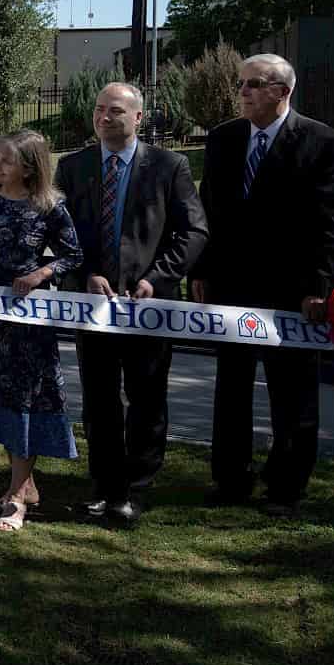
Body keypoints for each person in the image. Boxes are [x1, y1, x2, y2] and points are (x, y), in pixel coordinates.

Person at [190, 53, 334, 517]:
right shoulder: (223, 139)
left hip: (292, 290)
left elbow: (329, 223)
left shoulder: (323, 142)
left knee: (292, 390)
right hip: (230, 285)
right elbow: (209, 212)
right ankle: (230, 479)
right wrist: (200, 270)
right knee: (232, 386)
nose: (243, 92)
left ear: (283, 91)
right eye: (241, 84)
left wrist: (319, 286)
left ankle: (285, 487)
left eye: (254, 84)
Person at [56, 83, 208, 526]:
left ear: (138, 118)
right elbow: (58, 232)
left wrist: (158, 279)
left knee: (146, 398)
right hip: (93, 306)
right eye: (99, 110)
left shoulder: (168, 166)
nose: (104, 117)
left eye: (116, 111)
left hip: (150, 307)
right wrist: (82, 276)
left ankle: (135, 490)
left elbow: (194, 231)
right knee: (99, 400)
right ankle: (104, 487)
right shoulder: (74, 167)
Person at [0, 129, 84, 533]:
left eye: (6, 160)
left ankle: (16, 498)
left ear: (28, 167)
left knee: (24, 403)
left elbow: (72, 254)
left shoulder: (50, 206)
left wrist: (40, 273)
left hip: (27, 323)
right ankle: (23, 486)